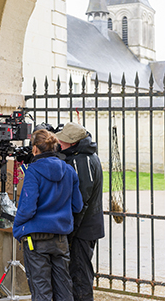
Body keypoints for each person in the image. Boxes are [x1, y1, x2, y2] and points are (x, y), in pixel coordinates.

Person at [13, 129, 83, 301]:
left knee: (41, 290)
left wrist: (17, 228)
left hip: (36, 239)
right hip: (60, 238)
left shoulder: (33, 171)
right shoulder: (69, 171)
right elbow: (77, 205)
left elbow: (27, 208)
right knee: (64, 289)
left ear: (35, 149)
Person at [56, 122, 105, 301]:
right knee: (79, 271)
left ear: (73, 143)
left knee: (80, 274)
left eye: (64, 140)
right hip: (87, 226)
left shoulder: (81, 160)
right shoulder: (85, 156)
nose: (60, 142)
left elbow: (81, 200)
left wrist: (71, 229)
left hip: (84, 228)